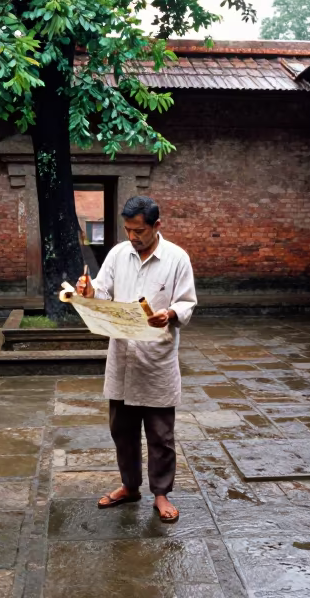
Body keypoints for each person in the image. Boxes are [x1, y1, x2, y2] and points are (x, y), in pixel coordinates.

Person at [76, 195, 197, 523]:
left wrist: (170, 313)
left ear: (157, 226)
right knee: (122, 430)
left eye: (139, 230)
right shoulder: (118, 254)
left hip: (157, 358)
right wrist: (88, 292)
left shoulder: (176, 258)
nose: (133, 236)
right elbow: (103, 291)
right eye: (128, 229)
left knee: (160, 434)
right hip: (123, 354)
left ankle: (161, 493)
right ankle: (130, 486)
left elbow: (187, 302)